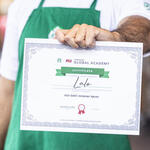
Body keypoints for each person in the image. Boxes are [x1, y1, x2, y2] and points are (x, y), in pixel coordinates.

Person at [0, 0, 150, 150]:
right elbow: (7, 89)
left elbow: (143, 28)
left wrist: (118, 38)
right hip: (28, 143)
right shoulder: (22, 5)